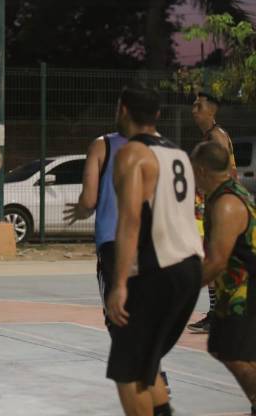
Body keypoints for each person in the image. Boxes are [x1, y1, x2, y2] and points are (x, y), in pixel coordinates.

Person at [106, 84, 204, 416]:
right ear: (158, 115)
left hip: (155, 271)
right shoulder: (179, 154)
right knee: (148, 360)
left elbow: (131, 219)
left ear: (122, 110)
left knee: (128, 371)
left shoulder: (131, 154)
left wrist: (119, 284)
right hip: (189, 268)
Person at [65, 130, 172, 398]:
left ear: (123, 109)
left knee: (119, 315)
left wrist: (81, 209)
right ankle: (154, 377)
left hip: (115, 241)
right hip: (153, 243)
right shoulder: (164, 146)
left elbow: (89, 201)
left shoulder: (103, 145)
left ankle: (150, 380)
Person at [191, 141, 256, 416]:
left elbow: (216, 262)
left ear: (203, 170)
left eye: (193, 168)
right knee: (226, 349)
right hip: (236, 289)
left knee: (231, 351)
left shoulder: (227, 203)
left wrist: (182, 291)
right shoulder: (222, 195)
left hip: (246, 289)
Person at [189, 91, 239, 333]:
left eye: (198, 105)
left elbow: (227, 174)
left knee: (217, 258)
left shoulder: (216, 137)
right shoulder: (210, 135)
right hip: (211, 203)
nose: (193, 109)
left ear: (212, 110)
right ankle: (216, 312)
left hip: (219, 204)